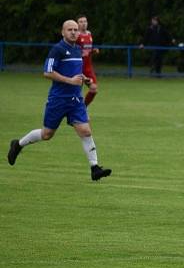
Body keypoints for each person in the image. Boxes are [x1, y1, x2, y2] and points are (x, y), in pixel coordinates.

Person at [7, 20, 112, 181]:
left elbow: (75, 73)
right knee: (47, 134)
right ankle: (18, 144)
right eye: (70, 29)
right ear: (62, 32)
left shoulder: (77, 50)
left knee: (86, 131)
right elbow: (47, 73)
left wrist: (85, 79)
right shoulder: (57, 50)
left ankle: (95, 168)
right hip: (58, 100)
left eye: (76, 30)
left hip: (76, 100)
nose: (73, 32)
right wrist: (70, 81)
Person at [76, 14, 99, 106]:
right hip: (78, 68)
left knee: (93, 89)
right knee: (76, 92)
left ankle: (83, 108)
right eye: (81, 22)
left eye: (85, 21)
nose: (83, 23)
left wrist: (93, 51)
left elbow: (87, 50)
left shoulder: (89, 34)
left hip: (88, 68)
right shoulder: (76, 36)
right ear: (77, 24)